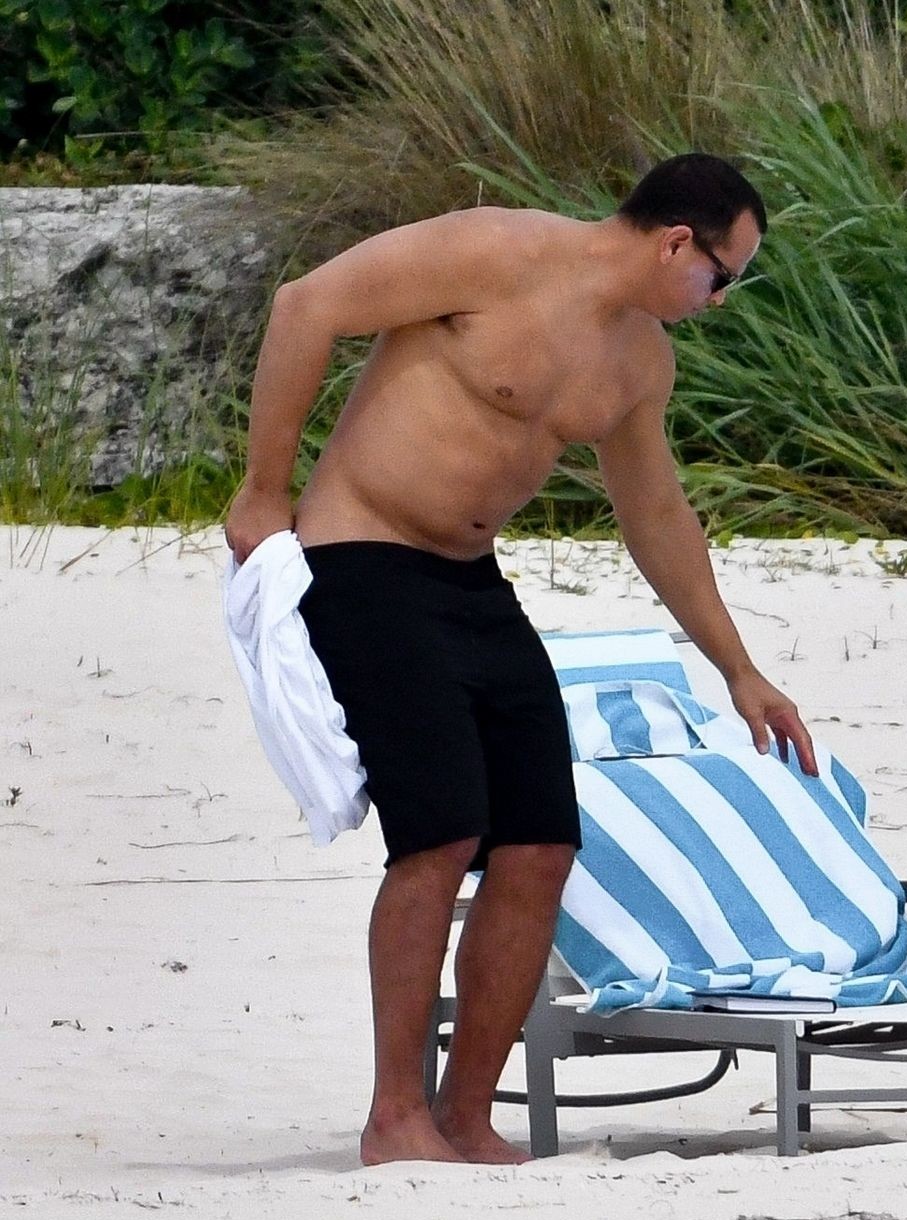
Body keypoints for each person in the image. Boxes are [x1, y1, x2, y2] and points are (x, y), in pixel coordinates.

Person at [223, 153, 816, 1166]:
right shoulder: (491, 252)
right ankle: (394, 1116)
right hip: (361, 553)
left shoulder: (640, 362)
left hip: (471, 580)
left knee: (541, 840)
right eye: (722, 277)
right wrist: (263, 488)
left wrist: (739, 668)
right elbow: (306, 306)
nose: (719, 301)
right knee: (441, 831)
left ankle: (466, 1114)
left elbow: (655, 513)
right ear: (677, 242)